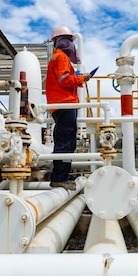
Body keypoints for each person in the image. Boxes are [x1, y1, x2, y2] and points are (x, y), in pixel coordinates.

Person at [45, 25, 91, 190]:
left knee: (66, 141)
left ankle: (61, 176)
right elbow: (64, 81)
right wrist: (81, 79)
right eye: (68, 40)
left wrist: (77, 77)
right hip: (64, 103)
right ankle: (59, 177)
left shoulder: (58, 58)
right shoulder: (61, 57)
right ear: (61, 41)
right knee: (65, 141)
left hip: (62, 103)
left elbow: (64, 79)